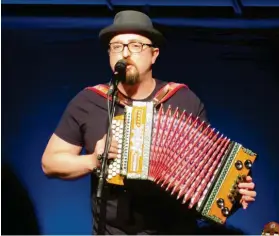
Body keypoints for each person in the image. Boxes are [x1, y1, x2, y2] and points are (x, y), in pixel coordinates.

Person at [41, 10, 257, 235]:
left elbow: (204, 179)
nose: (125, 54)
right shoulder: (89, 101)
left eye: (135, 45)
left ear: (154, 54)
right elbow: (50, 162)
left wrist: (233, 191)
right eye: (117, 46)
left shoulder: (182, 99)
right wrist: (93, 160)